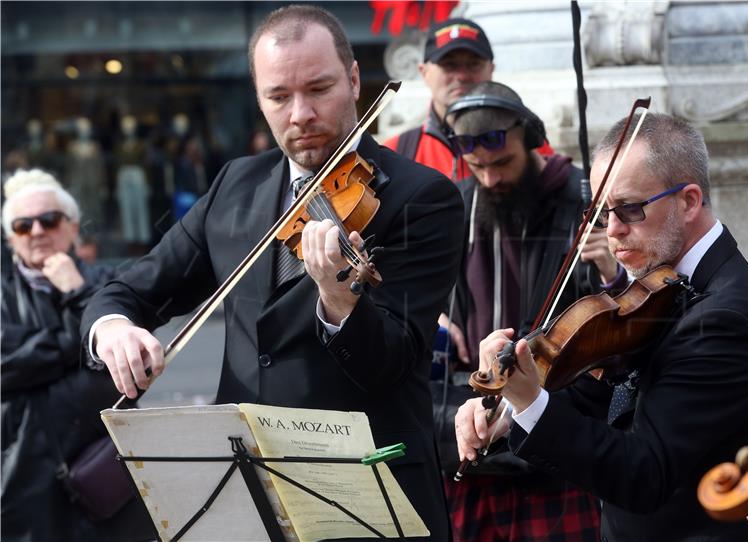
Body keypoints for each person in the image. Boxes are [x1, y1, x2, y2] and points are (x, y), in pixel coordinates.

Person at [81, 5, 463, 541]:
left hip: (369, 490)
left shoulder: (421, 197)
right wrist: (114, 328)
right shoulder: (236, 184)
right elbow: (130, 288)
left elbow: (395, 361)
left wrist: (338, 300)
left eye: (319, 88)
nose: (300, 114)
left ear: (354, 80)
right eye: (279, 97)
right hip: (245, 497)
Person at [455, 112, 748, 541]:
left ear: (689, 201)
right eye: (602, 212)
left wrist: (531, 405)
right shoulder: (664, 289)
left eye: (630, 209)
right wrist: (508, 410)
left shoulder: (727, 319)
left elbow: (644, 473)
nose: (612, 231)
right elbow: (605, 393)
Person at [439, 81, 623, 541]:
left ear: (532, 137)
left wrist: (607, 269)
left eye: (503, 162)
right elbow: (434, 295)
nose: (491, 178)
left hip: (554, 433)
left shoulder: (582, 199)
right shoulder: (458, 204)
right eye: (477, 167)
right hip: (474, 432)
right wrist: (436, 317)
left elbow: (614, 323)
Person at [1, 169, 153, 542]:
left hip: (108, 472)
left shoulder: (108, 288)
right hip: (24, 476)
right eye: (23, 226)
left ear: (72, 227)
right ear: (10, 239)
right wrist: (83, 338)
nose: (37, 231)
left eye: (49, 220)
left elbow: (129, 373)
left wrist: (78, 294)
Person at [383, 18, 495, 180]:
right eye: (449, 65)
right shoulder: (395, 152)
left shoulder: (520, 142)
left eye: (473, 64)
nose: (462, 76)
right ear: (424, 72)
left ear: (491, 70)